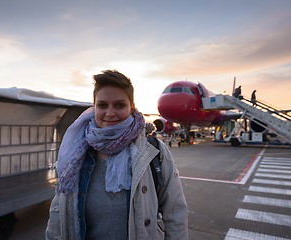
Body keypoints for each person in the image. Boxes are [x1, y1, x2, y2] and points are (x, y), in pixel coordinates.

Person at [45, 70, 188, 240]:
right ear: (94, 106)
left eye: (119, 105)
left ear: (132, 107)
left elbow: (175, 212)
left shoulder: (153, 151)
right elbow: (58, 213)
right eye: (102, 105)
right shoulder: (76, 152)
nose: (110, 113)